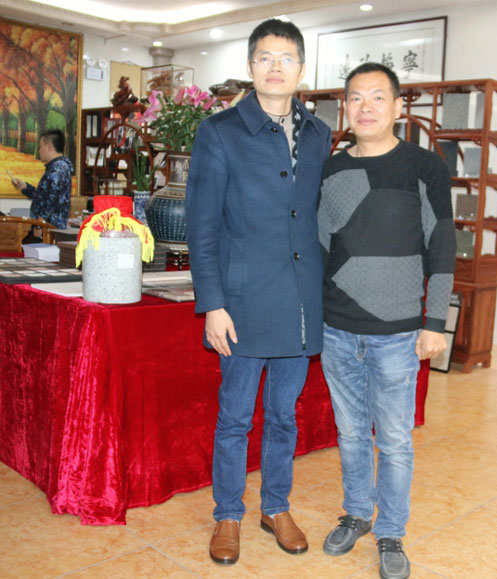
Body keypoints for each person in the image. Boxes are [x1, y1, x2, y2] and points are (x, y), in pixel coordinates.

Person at [185, 19, 332, 567]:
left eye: (286, 58)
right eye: (265, 57)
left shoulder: (318, 134)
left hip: (299, 301)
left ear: (301, 69)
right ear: (251, 66)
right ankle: (228, 513)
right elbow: (202, 225)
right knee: (234, 418)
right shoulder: (220, 131)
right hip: (242, 302)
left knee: (284, 416)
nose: (276, 67)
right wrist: (212, 303)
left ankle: (276, 506)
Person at [317, 62, 456, 579]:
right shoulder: (330, 169)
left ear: (398, 106)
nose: (366, 106)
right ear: (345, 108)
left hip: (398, 333)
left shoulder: (424, 165)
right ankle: (357, 513)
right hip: (337, 328)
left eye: (378, 96)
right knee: (351, 433)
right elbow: (320, 246)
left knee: (394, 439)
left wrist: (435, 321)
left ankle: (391, 531)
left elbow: (442, 245)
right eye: (356, 97)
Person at [11, 128, 73, 230]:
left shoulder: (58, 168)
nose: (39, 150)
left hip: (48, 229)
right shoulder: (56, 167)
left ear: (49, 147)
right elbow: (43, 197)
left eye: (41, 147)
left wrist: (40, 225)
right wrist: (25, 187)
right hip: (46, 227)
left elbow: (51, 200)